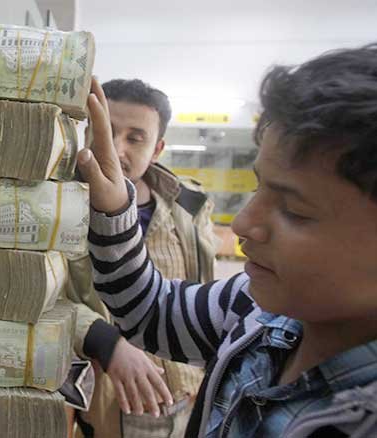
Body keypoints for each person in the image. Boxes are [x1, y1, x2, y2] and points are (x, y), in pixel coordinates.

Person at [77, 43, 377, 437]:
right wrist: (115, 208)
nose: (242, 223)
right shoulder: (252, 308)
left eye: (294, 210)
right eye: (258, 187)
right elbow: (151, 310)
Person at [66, 79, 218, 438]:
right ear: (87, 131)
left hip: (188, 400)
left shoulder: (189, 206)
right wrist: (105, 341)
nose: (116, 149)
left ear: (157, 148)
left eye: (135, 138)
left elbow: (203, 291)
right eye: (106, 131)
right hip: (106, 405)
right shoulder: (56, 206)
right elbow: (42, 296)